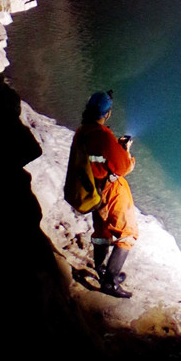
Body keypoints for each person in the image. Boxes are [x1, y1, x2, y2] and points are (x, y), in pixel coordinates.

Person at [67, 89, 139, 299]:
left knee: (102, 233)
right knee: (128, 233)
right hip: (109, 190)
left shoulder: (83, 131)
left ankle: (101, 270)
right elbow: (123, 167)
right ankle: (110, 281)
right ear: (106, 114)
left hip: (93, 192)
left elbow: (96, 158)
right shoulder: (103, 136)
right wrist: (125, 150)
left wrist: (114, 148)